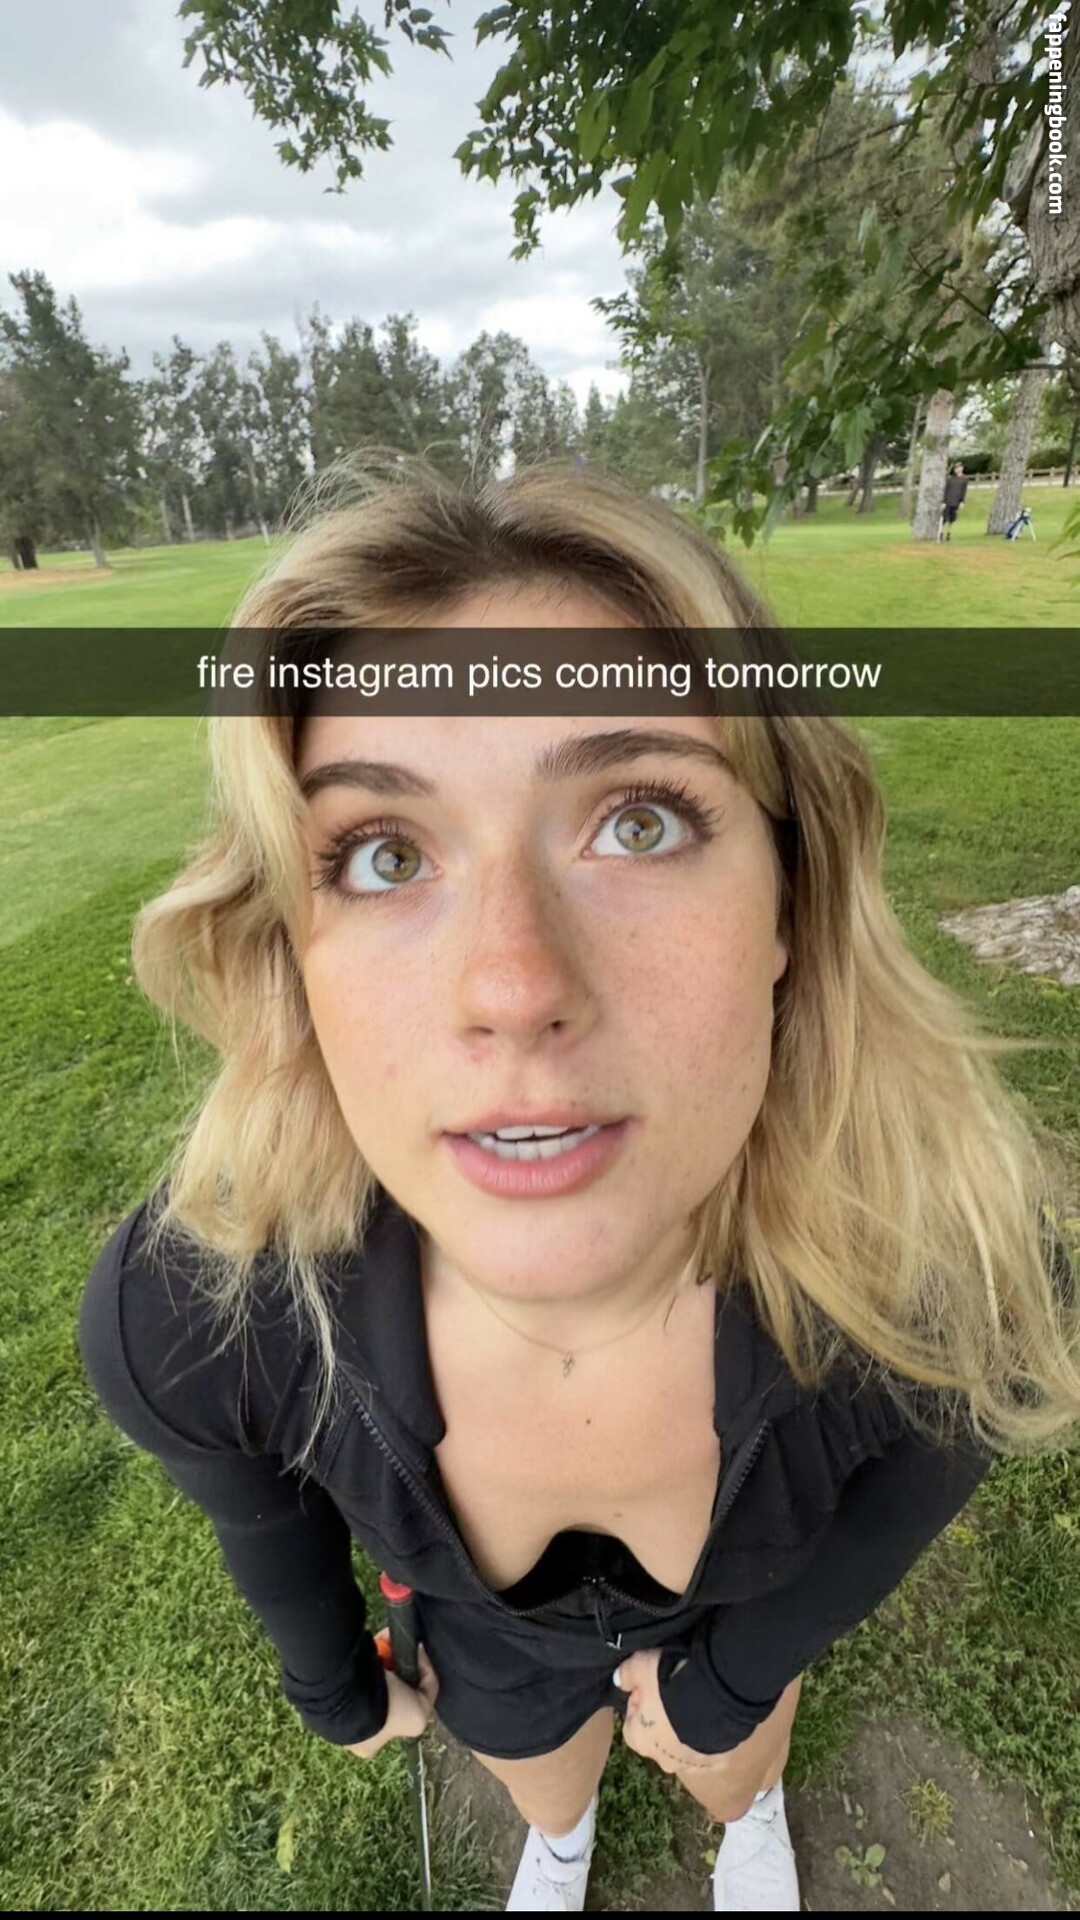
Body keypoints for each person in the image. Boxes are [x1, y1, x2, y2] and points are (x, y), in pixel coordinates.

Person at [77, 454, 1079, 1914]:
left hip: (741, 1622)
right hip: (488, 1661)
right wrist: (337, 1694)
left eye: (639, 821)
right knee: (542, 1782)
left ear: (791, 899)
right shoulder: (196, 1314)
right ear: (291, 947)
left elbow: (909, 1495)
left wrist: (732, 1681)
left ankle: (747, 1817)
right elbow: (260, 1529)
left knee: (730, 1760)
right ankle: (559, 1843)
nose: (512, 988)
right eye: (383, 853)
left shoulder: (948, 1269)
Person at [939, 461, 969, 540]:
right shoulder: (950, 478)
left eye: (959, 468)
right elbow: (946, 490)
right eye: (956, 468)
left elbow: (964, 491)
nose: (957, 469)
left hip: (956, 502)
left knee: (952, 518)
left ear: (962, 468)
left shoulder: (964, 479)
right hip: (948, 501)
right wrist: (943, 501)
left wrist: (962, 502)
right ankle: (941, 532)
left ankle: (949, 533)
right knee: (944, 518)